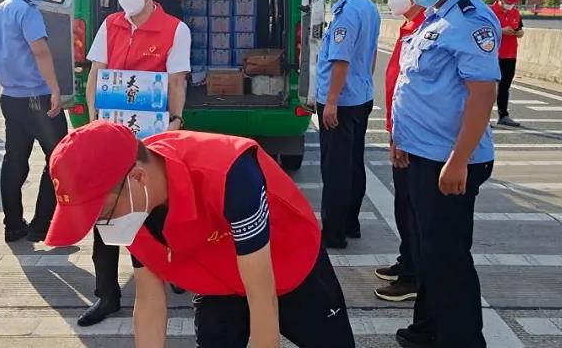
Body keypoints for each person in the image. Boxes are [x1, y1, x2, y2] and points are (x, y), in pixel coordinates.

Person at [45, 121, 355, 348]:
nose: (103, 226)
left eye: (101, 214)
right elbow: (150, 300)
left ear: (138, 178)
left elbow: (263, 300)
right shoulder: (131, 203)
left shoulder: (229, 173)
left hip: (287, 266)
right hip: (214, 278)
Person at [390, 0, 500, 348]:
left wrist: (458, 160)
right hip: (422, 153)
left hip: (448, 159)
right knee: (428, 251)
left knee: (448, 258)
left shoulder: (470, 20)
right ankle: (428, 329)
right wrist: (402, 139)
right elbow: (418, 85)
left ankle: (462, 340)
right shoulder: (436, 16)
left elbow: (482, 94)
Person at [81, 0, 191, 326]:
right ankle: (107, 294)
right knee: (107, 210)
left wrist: (175, 121)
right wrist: (93, 120)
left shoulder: (174, 29)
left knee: (156, 208)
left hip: (153, 138)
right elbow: (96, 75)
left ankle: (171, 270)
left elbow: (177, 82)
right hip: (110, 137)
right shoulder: (110, 25)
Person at [0, 0, 67, 244]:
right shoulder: (27, 10)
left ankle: (13, 226)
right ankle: (41, 225)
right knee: (60, 158)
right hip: (37, 97)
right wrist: (55, 89)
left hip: (10, 97)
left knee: (15, 160)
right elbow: (40, 51)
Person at [314, 0, 381, 249]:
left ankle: (333, 233)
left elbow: (340, 60)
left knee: (335, 169)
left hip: (341, 101)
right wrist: (364, 83)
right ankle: (351, 223)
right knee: (353, 163)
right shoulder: (368, 7)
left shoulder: (347, 13)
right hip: (360, 97)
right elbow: (371, 53)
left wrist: (331, 101)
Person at [373, 0, 426, 303]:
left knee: (414, 211)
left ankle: (413, 276)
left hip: (415, 137)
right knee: (404, 207)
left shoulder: (425, 27)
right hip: (401, 132)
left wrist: (403, 136)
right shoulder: (409, 26)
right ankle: (407, 261)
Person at [491, 0, 524, 127]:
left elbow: (519, 28)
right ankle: (483, 117)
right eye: (509, 1)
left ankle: (503, 115)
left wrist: (519, 32)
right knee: (488, 87)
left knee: (505, 87)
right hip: (492, 54)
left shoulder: (515, 13)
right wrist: (501, 31)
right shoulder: (490, 12)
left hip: (510, 55)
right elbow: (482, 30)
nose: (511, 4)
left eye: (513, 2)